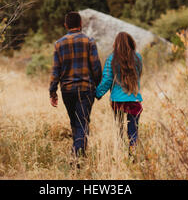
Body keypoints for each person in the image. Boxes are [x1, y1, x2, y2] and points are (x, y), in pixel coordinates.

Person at [49, 11, 102, 157]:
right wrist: (96, 86)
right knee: (82, 124)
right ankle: (77, 157)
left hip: (67, 90)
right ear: (81, 24)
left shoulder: (58, 44)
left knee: (75, 123)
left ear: (66, 25)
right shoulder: (89, 41)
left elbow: (55, 70)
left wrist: (53, 92)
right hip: (86, 89)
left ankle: (79, 156)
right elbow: (96, 68)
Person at [96, 32, 143, 152]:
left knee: (119, 127)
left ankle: (120, 151)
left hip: (117, 100)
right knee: (133, 130)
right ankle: (132, 154)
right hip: (134, 99)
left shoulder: (112, 59)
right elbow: (138, 75)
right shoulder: (138, 57)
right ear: (131, 43)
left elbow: (107, 80)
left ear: (115, 44)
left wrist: (97, 93)